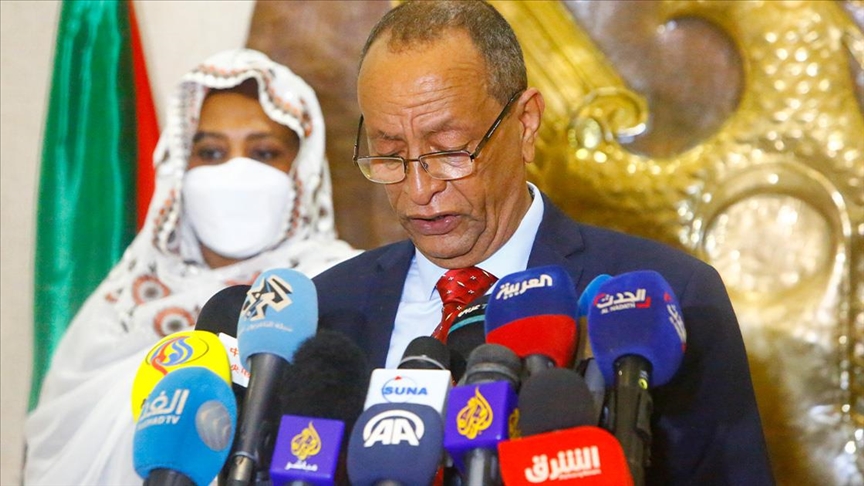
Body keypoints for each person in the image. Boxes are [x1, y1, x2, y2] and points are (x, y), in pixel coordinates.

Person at [313, 1, 774, 484]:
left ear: (526, 124)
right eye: (389, 155)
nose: (419, 189)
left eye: (449, 150)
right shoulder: (330, 310)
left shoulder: (670, 298)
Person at [24, 48, 359, 485]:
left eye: (263, 153)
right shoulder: (119, 308)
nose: (236, 173)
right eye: (212, 152)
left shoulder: (344, 288)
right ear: (179, 165)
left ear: (303, 170)